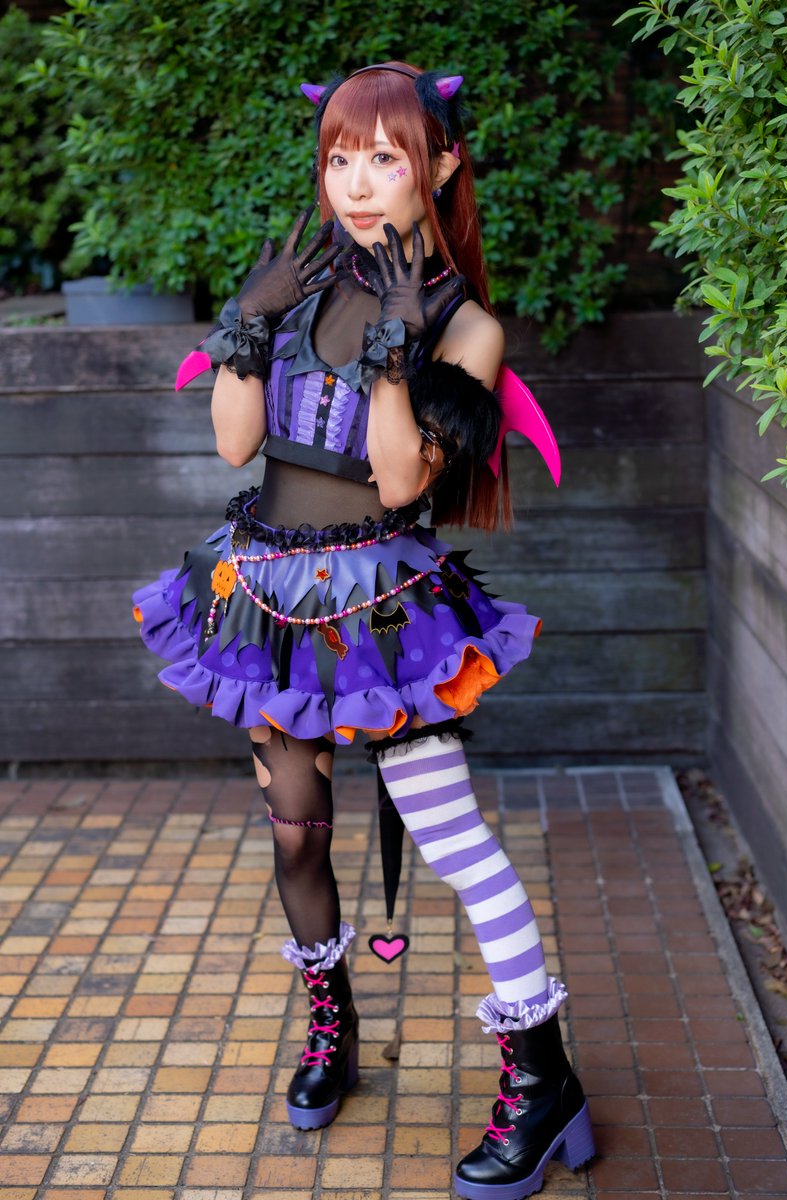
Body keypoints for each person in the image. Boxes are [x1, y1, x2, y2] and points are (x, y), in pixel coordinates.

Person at [133, 61, 594, 1199]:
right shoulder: (301, 291)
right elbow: (235, 443)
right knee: (296, 836)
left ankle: (544, 1082)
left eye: (385, 156)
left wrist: (397, 349)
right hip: (267, 602)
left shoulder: (465, 326)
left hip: (384, 618)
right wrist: (250, 324)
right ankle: (330, 1026)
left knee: (452, 840)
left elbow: (397, 482)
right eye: (339, 156)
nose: (355, 180)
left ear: (441, 163)